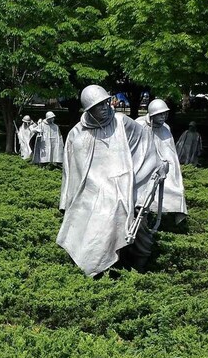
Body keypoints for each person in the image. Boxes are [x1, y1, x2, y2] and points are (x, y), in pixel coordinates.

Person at [58, 86, 166, 275]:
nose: (105, 107)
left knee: (132, 219)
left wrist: (156, 168)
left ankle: (138, 268)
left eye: (106, 102)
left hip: (124, 186)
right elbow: (71, 172)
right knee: (91, 216)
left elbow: (145, 147)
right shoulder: (76, 134)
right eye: (99, 105)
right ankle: (95, 266)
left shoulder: (122, 122)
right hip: (91, 191)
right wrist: (67, 201)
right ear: (88, 109)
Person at [135, 99, 187, 220]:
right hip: (143, 169)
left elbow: (170, 154)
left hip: (163, 170)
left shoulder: (166, 128)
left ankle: (164, 218)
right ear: (153, 114)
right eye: (160, 114)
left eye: (165, 114)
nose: (163, 117)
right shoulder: (139, 125)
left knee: (175, 189)